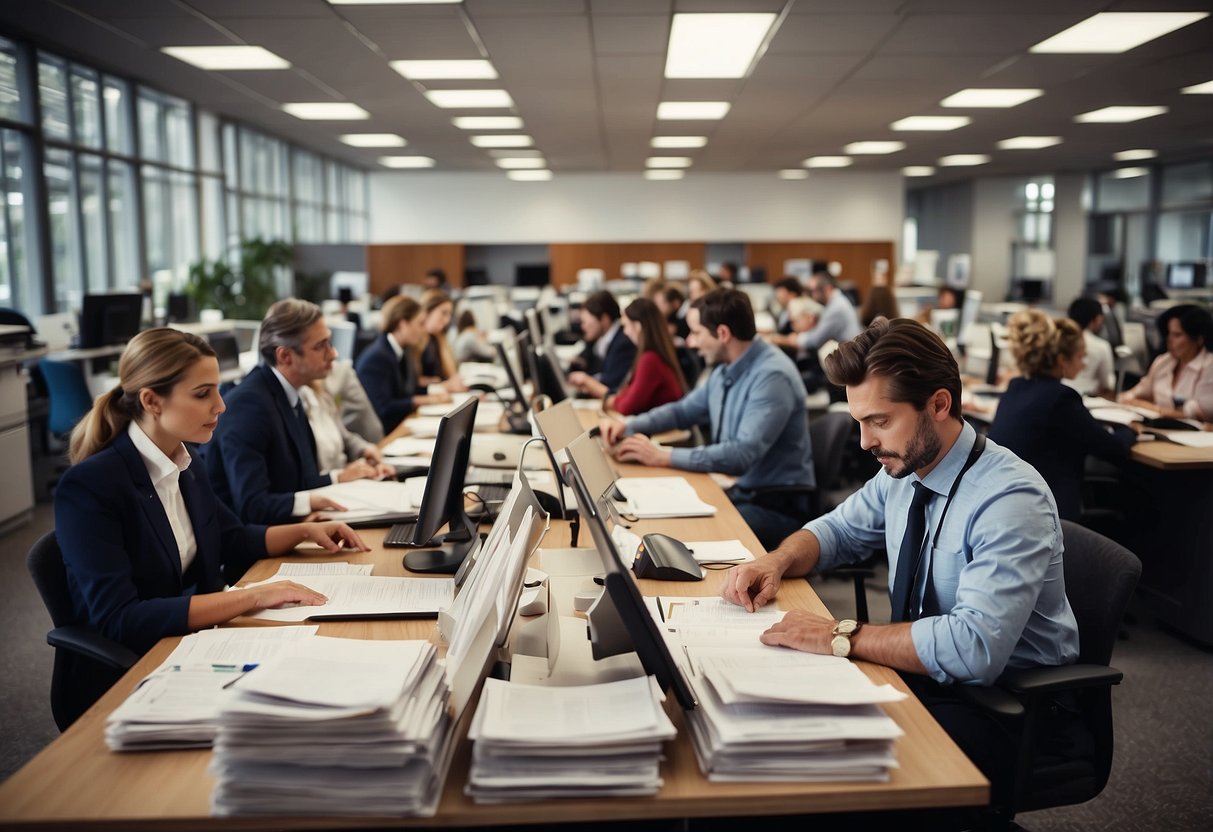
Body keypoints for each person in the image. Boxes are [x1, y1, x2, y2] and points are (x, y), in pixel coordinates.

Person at [720, 316, 1080, 810]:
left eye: (879, 421)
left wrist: (838, 635)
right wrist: (777, 561)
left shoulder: (1008, 498)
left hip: (1008, 708)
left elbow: (974, 647)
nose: (865, 442)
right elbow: (838, 530)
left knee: (816, 784)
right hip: (922, 680)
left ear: (938, 404)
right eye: (859, 422)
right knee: (764, 739)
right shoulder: (904, 469)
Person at [55, 328, 367, 709]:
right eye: (203, 394)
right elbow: (121, 618)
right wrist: (252, 596)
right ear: (152, 401)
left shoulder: (185, 461)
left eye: (217, 390)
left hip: (192, 643)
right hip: (129, 673)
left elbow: (233, 538)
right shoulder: (91, 486)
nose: (220, 405)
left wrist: (306, 531)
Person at [601, 289, 815, 549]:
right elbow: (682, 411)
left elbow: (741, 455)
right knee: (660, 524)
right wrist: (628, 425)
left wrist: (662, 456)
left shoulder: (772, 376)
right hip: (743, 492)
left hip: (776, 507)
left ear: (723, 334)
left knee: (682, 535)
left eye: (697, 333)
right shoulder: (724, 370)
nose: (691, 342)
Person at [207, 299, 389, 525]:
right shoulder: (249, 406)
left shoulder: (291, 395)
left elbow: (296, 484)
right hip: (254, 555)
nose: (333, 354)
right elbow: (252, 507)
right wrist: (312, 502)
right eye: (320, 346)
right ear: (285, 356)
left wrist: (338, 477)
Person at [989, 310, 1135, 522]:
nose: (1084, 363)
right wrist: (1129, 430)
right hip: (1047, 514)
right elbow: (1113, 449)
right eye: (1080, 356)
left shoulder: (1016, 387)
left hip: (1006, 507)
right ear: (1061, 360)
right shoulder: (1061, 398)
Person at [568, 297, 687, 415]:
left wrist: (606, 400)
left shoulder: (650, 359)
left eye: (625, 326)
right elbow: (625, 395)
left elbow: (626, 406)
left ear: (638, 326)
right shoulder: (653, 355)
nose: (625, 332)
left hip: (666, 433)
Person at [355, 294, 450, 432]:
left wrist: (434, 393)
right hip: (384, 434)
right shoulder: (378, 358)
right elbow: (383, 407)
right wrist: (424, 400)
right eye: (420, 324)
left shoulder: (401, 351)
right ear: (403, 324)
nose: (423, 330)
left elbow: (406, 391)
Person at [1120, 304, 1213, 421]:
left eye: (1177, 335)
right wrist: (1129, 398)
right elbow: (1135, 393)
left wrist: (1147, 407)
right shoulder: (1164, 361)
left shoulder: (1209, 366)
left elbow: (1197, 415)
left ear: (1199, 339)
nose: (1169, 340)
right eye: (1168, 333)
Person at [300, 378, 396, 484]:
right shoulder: (296, 401)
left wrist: (365, 449)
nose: (333, 360)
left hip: (344, 477)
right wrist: (339, 476)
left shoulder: (322, 392)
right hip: (326, 484)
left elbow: (344, 436)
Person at [570, 290, 637, 393]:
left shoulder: (623, 343)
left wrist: (586, 380)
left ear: (604, 319)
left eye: (585, 322)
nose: (583, 327)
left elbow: (611, 384)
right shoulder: (602, 339)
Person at [416, 289, 467, 392]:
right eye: (443, 313)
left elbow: (448, 375)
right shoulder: (413, 341)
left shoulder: (437, 339)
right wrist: (440, 384)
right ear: (427, 311)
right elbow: (410, 383)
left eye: (449, 314)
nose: (447, 320)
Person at [1065, 296, 1116, 396]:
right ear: (1097, 319)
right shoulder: (1101, 346)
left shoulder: (1058, 340)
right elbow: (1107, 383)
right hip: (1088, 396)